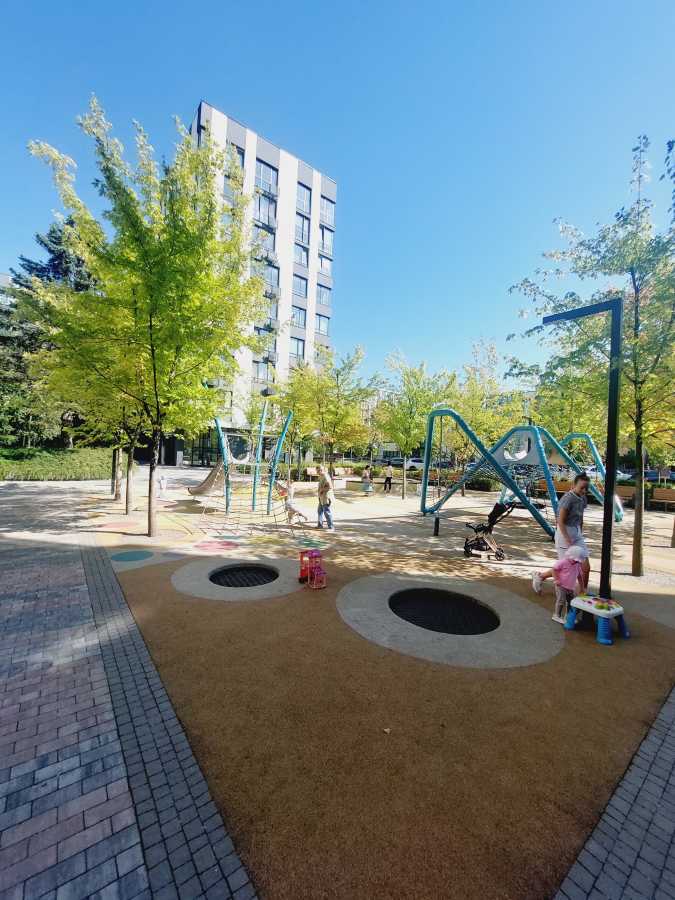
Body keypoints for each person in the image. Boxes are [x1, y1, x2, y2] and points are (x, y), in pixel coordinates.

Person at [531, 544, 589, 623]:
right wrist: (556, 580)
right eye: (575, 560)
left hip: (570, 587)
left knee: (570, 601)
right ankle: (557, 615)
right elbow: (554, 570)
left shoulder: (577, 565)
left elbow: (579, 576)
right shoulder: (563, 562)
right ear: (570, 556)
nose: (577, 562)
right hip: (561, 586)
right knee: (561, 600)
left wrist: (582, 588)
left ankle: (568, 616)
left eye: (578, 561)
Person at [554, 472, 591, 590]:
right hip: (564, 534)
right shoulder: (568, 498)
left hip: (576, 533)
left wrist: (580, 533)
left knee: (586, 567)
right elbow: (560, 520)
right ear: (574, 485)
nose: (584, 490)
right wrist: (567, 538)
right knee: (566, 567)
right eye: (582, 487)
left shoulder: (583, 498)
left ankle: (583, 592)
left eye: (586, 488)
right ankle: (541, 576)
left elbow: (581, 517)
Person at [317, 465, 334, 530]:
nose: (319, 471)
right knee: (319, 511)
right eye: (318, 470)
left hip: (326, 497)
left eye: (320, 470)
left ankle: (331, 527)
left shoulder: (326, 476)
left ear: (323, 470)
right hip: (321, 497)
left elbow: (330, 487)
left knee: (327, 512)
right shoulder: (321, 476)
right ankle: (320, 525)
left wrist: (322, 490)